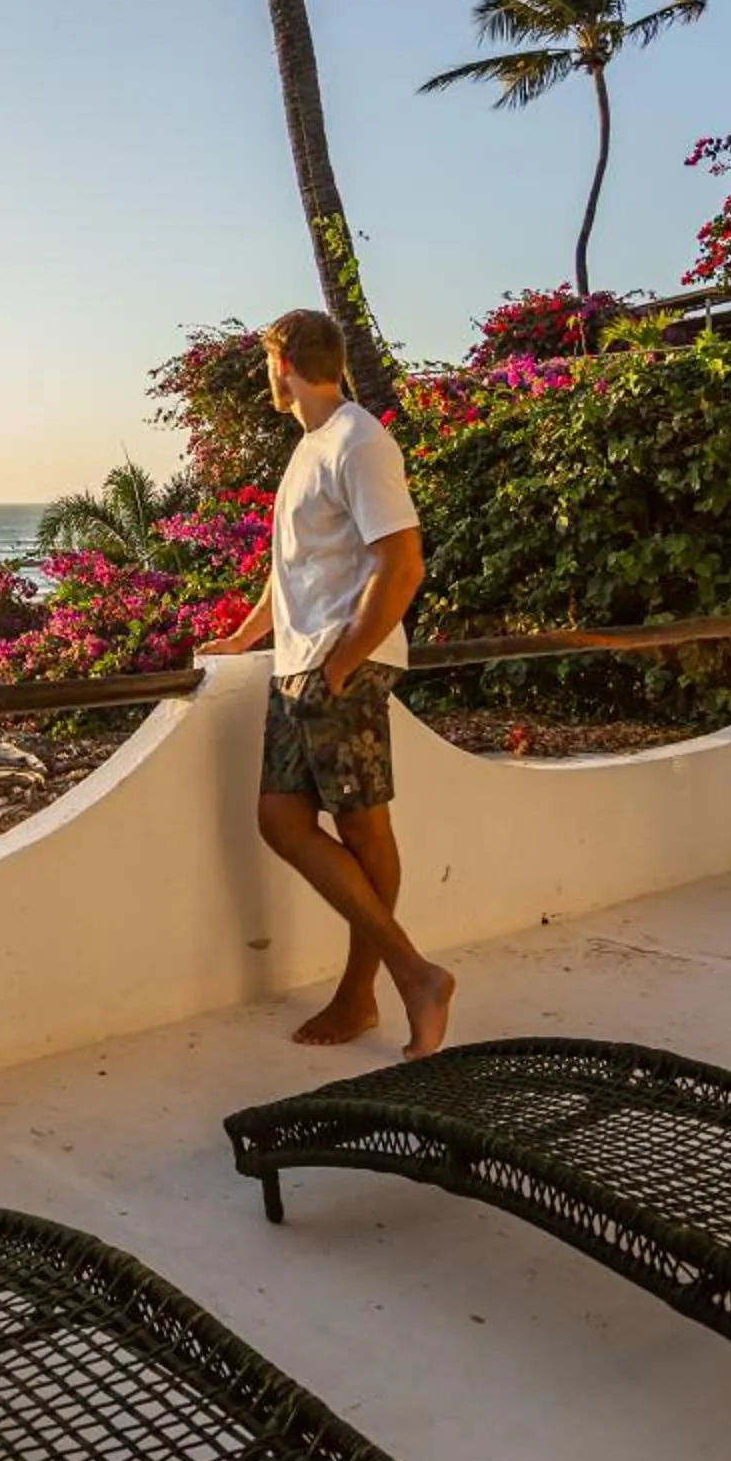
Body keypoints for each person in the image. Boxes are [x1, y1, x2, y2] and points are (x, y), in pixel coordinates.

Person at [204, 308, 456, 1055]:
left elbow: (402, 562)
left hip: (337, 665)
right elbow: (297, 572)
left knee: (362, 828)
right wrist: (246, 636)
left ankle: (390, 985)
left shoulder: (358, 440)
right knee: (281, 819)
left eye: (265, 365)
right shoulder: (311, 448)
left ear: (282, 363)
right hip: (299, 664)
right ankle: (395, 982)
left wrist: (343, 662)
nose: (265, 379)